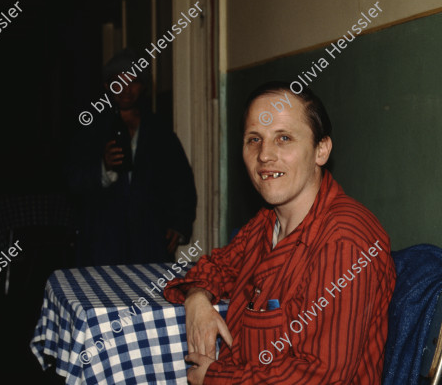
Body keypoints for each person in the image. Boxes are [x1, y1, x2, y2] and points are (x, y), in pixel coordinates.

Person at [163, 81, 396, 384]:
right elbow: (218, 265)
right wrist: (197, 299)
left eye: (283, 138)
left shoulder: (344, 242)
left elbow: (321, 375)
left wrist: (217, 378)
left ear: (321, 150)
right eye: (253, 139)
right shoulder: (267, 222)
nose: (264, 155)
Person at [66, 49, 197, 266]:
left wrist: (179, 225)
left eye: (134, 81)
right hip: (101, 242)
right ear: (108, 86)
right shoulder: (89, 129)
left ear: (143, 86)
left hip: (150, 242)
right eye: (119, 82)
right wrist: (103, 167)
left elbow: (181, 183)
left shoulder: (159, 131)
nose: (126, 89)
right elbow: (72, 181)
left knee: (151, 296)